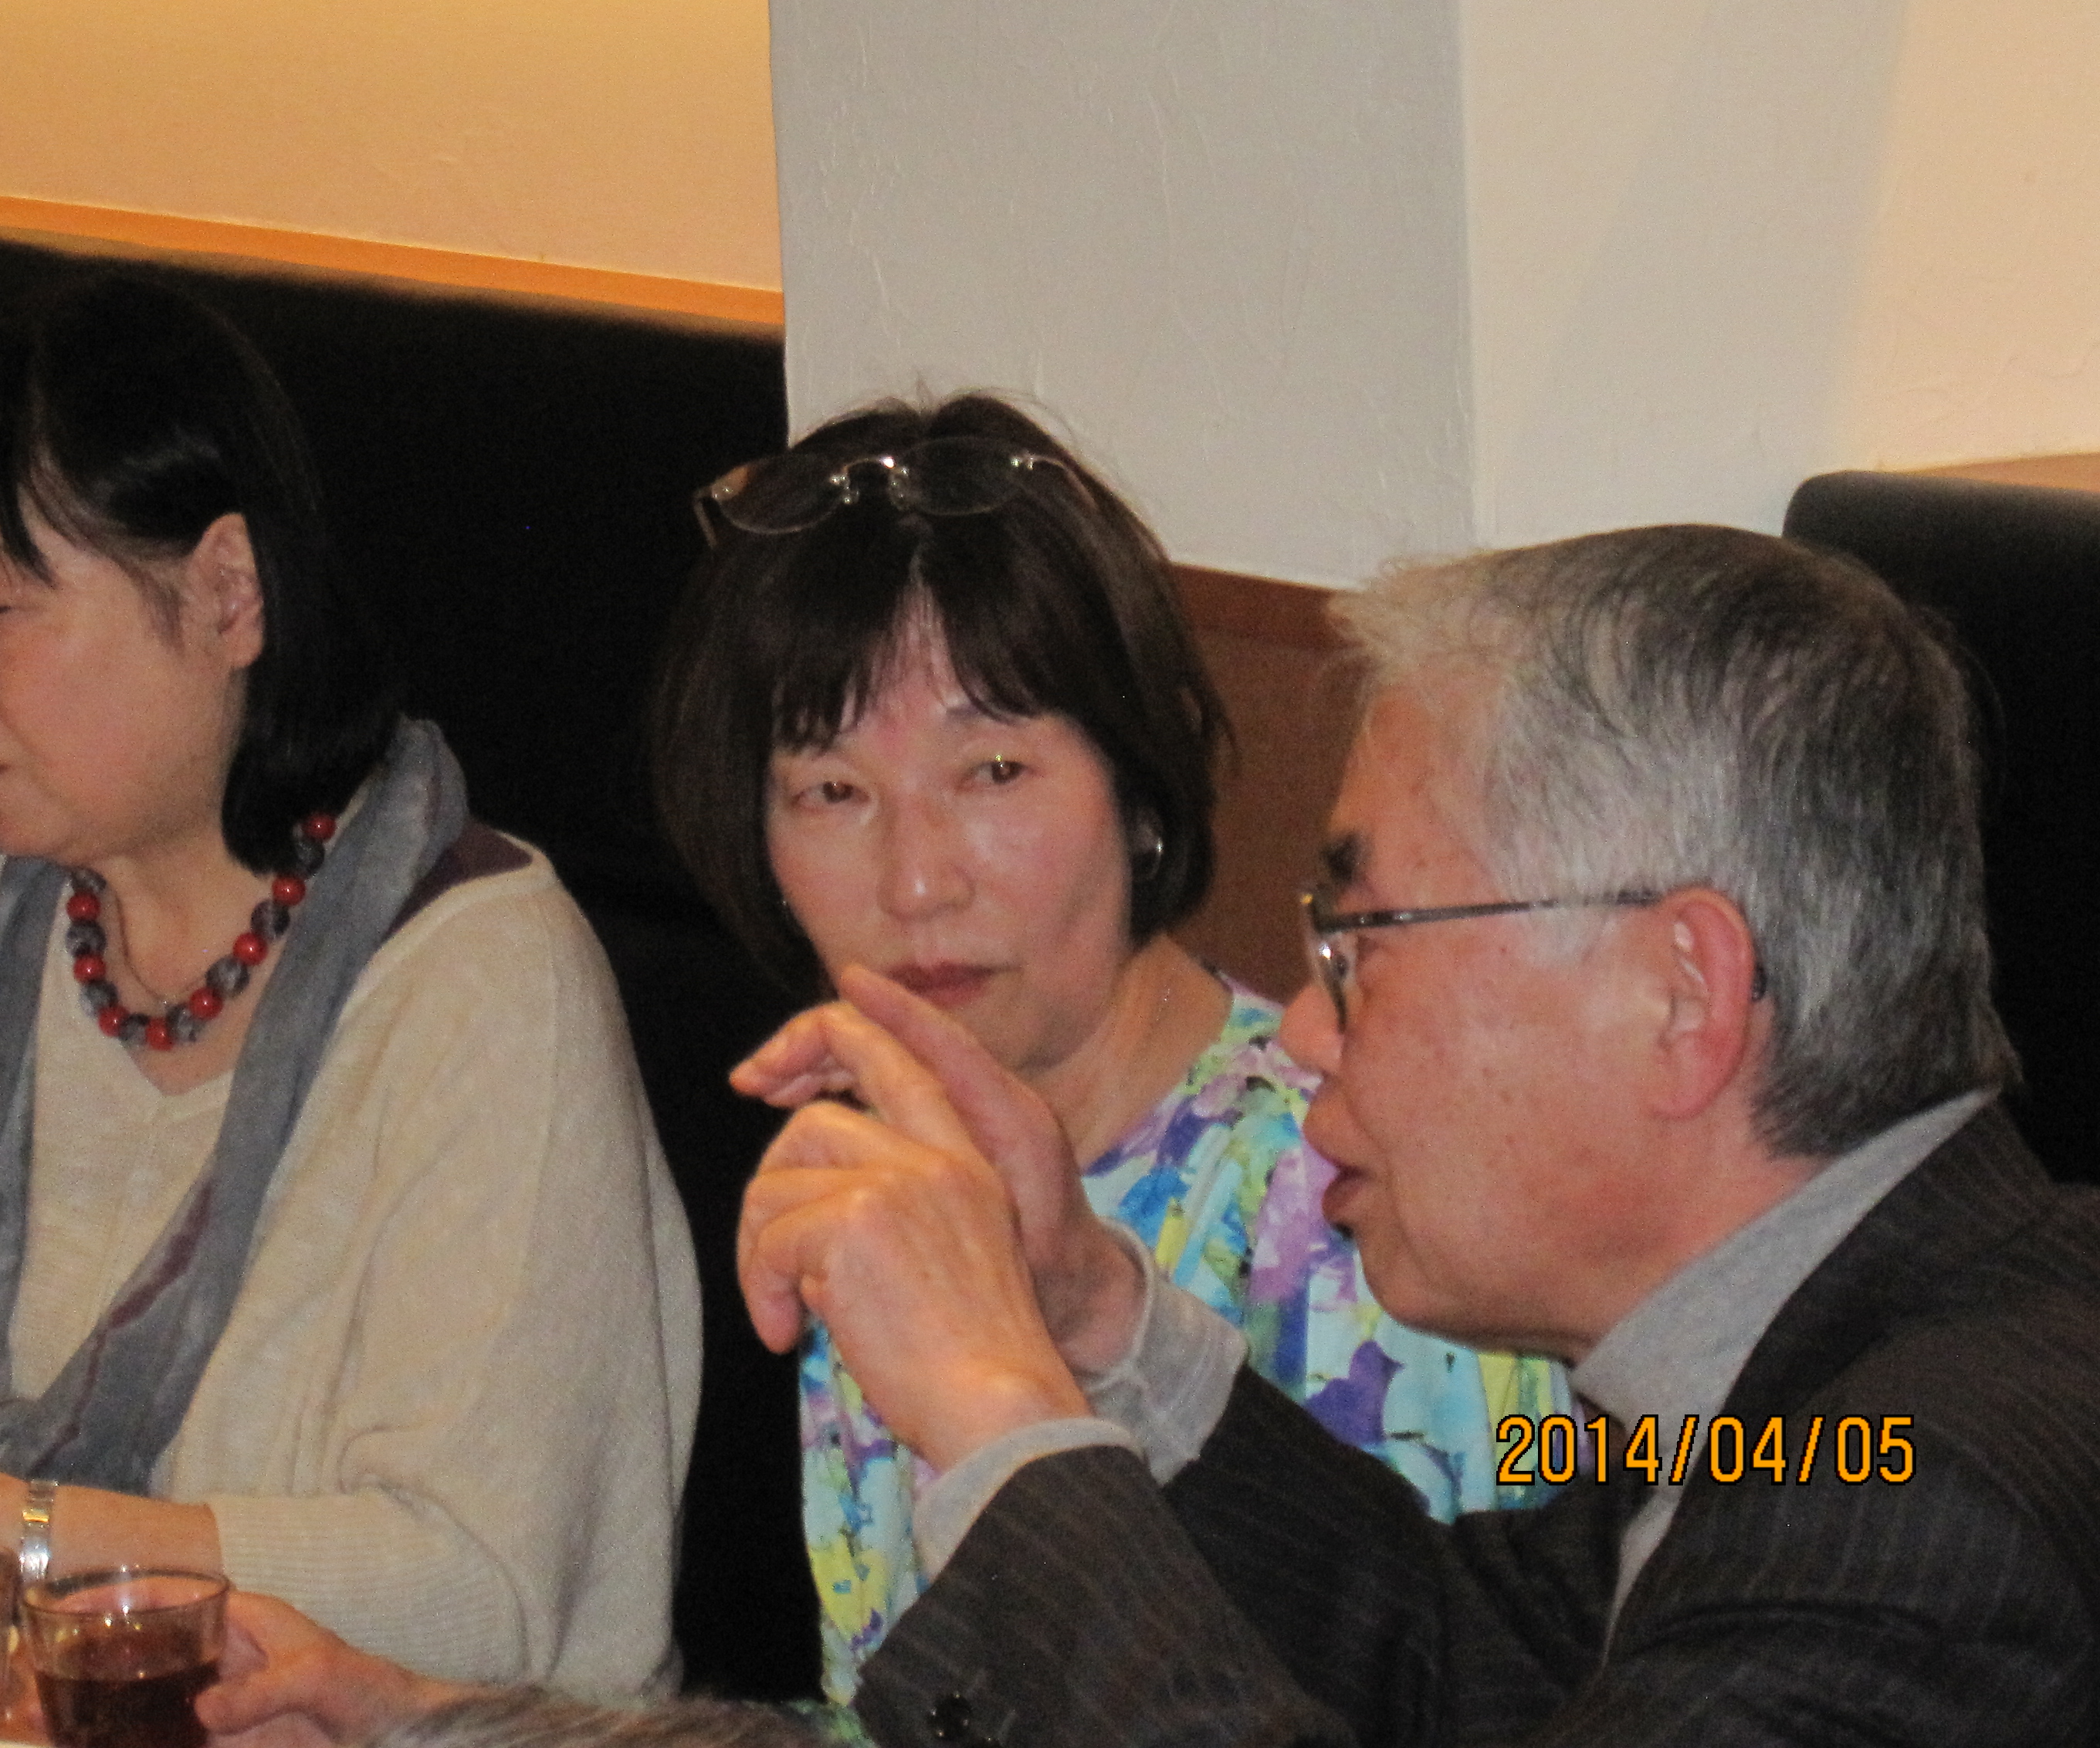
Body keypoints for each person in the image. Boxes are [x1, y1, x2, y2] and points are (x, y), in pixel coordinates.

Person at [742, 523, 2100, 1746]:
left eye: (1362, 943)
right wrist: (1093, 1320)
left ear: (1680, 994)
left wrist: (1000, 1421)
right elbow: (1466, 1666)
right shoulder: (1811, 1389)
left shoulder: (1922, 1536)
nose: (1303, 1033)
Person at [0, 275, 699, 1695]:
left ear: (229, 593)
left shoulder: (485, 985)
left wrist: (1, 1529)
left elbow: (475, 1596)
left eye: (1, 607)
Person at [642, 395, 1564, 1702]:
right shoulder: (877, 1178)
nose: (917, 882)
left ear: (1136, 790)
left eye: (994, 772)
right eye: (833, 792)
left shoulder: (1349, 1193)